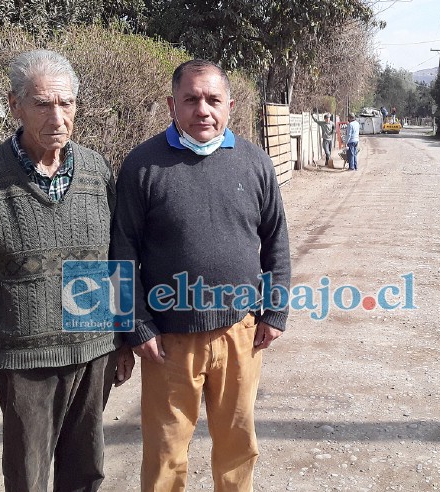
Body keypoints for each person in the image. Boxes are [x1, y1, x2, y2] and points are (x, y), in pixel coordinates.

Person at [0, 49, 135, 491]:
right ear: (15, 105)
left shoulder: (96, 170)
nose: (58, 117)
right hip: (23, 365)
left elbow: (117, 260)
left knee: (86, 473)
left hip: (94, 356)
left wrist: (123, 339)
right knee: (27, 478)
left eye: (66, 103)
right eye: (43, 104)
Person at [110, 59, 291, 491]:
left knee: (237, 446)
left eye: (213, 100)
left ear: (229, 104)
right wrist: (136, 325)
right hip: (167, 342)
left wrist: (275, 311)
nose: (203, 110)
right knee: (165, 452)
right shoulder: (143, 166)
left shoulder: (256, 163)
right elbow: (122, 251)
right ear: (173, 105)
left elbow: (277, 242)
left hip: (239, 335)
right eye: (191, 100)